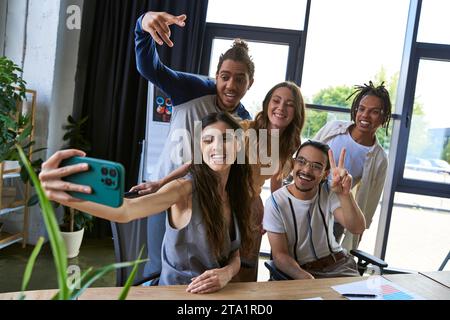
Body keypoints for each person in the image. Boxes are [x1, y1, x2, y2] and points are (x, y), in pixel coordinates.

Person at [39, 112, 254, 293]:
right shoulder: (183, 190)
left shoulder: (235, 193)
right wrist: (69, 196)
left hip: (218, 295)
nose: (218, 147)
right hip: (177, 294)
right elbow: (126, 211)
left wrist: (227, 273)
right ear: (200, 148)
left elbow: (234, 254)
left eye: (226, 138)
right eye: (208, 140)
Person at [132, 81, 306, 281]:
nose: (281, 108)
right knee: (218, 261)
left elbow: (277, 183)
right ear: (267, 103)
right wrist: (161, 182)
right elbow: (198, 160)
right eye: (276, 100)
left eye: (290, 104)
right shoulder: (245, 130)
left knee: (246, 270)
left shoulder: (289, 144)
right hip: (231, 201)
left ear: (296, 111)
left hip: (253, 207)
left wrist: (272, 215)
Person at [135, 11, 255, 278]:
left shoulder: (243, 121)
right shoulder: (192, 89)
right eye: (225, 76)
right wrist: (143, 26)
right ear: (216, 75)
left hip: (206, 201)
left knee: (201, 270)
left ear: (250, 82)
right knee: (157, 269)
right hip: (169, 190)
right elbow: (149, 68)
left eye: (240, 78)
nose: (230, 85)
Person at [263, 140, 366, 279]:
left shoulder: (329, 190)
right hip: (303, 272)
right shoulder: (276, 203)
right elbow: (280, 256)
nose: (306, 170)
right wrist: (307, 279)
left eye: (316, 166)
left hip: (341, 265)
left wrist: (344, 194)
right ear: (293, 164)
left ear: (325, 174)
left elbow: (357, 228)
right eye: (301, 161)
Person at [314, 81, 392, 251]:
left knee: (322, 266)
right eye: (362, 108)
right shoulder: (333, 129)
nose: (365, 115)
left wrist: (356, 241)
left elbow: (368, 206)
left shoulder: (379, 158)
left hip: (335, 215)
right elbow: (305, 156)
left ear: (383, 117)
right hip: (305, 201)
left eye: (374, 112)